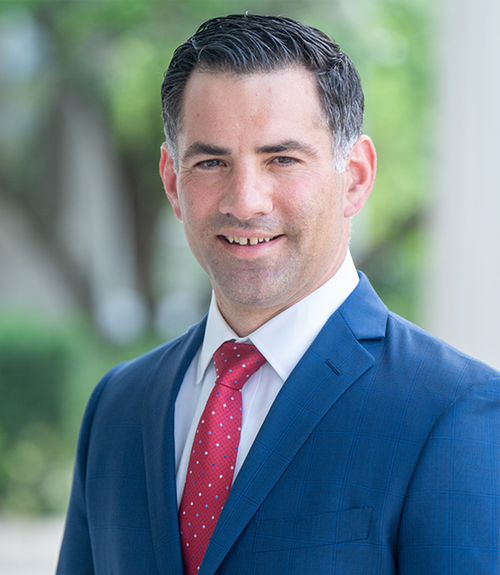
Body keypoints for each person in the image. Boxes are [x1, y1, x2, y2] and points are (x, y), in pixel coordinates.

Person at [57, 13, 500, 575]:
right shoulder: (117, 408)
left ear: (356, 176)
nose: (244, 201)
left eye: (282, 159)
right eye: (211, 162)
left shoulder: (457, 412)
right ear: (172, 181)